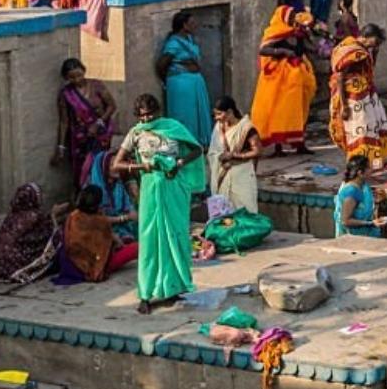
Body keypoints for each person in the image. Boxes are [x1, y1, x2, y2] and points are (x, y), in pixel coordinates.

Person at [109, 95, 205, 312]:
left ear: (158, 111)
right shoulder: (135, 133)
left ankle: (172, 288)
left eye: (150, 114)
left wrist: (178, 163)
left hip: (174, 187)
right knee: (150, 239)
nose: (147, 118)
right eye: (142, 115)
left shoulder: (172, 127)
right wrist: (142, 167)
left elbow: (196, 150)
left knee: (175, 235)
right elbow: (117, 164)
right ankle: (146, 293)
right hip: (151, 189)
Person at [250, 7, 317, 155]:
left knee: (299, 109)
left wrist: (312, 40)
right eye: (291, 15)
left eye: (294, 14)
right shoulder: (275, 32)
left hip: (298, 75)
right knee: (280, 111)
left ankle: (300, 144)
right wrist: (283, 52)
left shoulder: (298, 31)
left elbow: (307, 48)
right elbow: (263, 50)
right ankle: (278, 147)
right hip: (279, 78)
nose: (294, 17)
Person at [329, 24, 387, 163]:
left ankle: (367, 163)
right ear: (367, 36)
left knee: (370, 128)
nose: (376, 45)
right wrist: (344, 105)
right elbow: (340, 76)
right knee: (359, 131)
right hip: (352, 99)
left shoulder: (364, 51)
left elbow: (369, 71)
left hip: (364, 96)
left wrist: (375, 54)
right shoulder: (351, 50)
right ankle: (357, 165)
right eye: (376, 41)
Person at [58, 185, 137, 283]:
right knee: (137, 248)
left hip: (72, 264)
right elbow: (114, 242)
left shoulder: (73, 216)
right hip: (94, 264)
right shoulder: (99, 221)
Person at [56, 57, 116, 184]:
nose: (77, 80)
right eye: (72, 77)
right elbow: (64, 121)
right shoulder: (66, 94)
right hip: (80, 140)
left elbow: (112, 106)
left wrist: (98, 124)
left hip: (100, 136)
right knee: (83, 172)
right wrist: (61, 147)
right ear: (67, 78)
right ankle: (86, 198)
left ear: (84, 70)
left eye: (79, 75)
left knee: (100, 167)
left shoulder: (96, 85)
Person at [157, 11, 212, 148]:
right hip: (181, 85)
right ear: (184, 25)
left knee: (197, 115)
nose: (195, 26)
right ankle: (185, 144)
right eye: (192, 23)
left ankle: (198, 143)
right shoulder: (174, 43)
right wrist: (169, 79)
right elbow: (162, 64)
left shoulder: (189, 39)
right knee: (186, 115)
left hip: (194, 82)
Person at [0, 183, 57, 283]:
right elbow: (47, 234)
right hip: (15, 265)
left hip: (0, 266)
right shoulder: (33, 216)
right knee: (58, 239)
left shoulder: (12, 215)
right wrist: (54, 215)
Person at [207, 96, 261, 213]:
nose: (217, 118)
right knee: (224, 214)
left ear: (230, 112)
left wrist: (234, 156)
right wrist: (219, 157)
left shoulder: (246, 128)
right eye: (215, 115)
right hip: (222, 175)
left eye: (219, 114)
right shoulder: (219, 127)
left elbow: (257, 151)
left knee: (245, 209)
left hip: (241, 175)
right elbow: (213, 151)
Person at [334, 155, 386, 236]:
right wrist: (370, 223)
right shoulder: (351, 192)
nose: (371, 170)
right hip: (353, 240)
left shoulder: (363, 186)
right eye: (368, 168)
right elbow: (346, 221)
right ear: (360, 173)